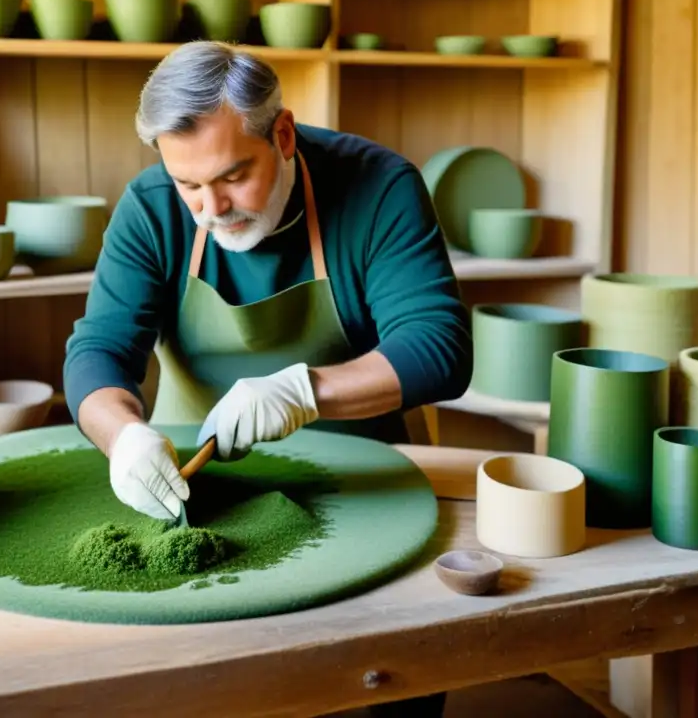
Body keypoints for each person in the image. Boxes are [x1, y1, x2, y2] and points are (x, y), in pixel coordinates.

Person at [63, 41, 472, 716]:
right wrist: (123, 437)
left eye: (231, 177)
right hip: (197, 485)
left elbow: (440, 347)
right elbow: (97, 353)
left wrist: (304, 392)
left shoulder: (379, 187)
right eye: (188, 184)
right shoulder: (151, 208)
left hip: (364, 483)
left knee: (395, 670)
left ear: (282, 133)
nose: (211, 208)